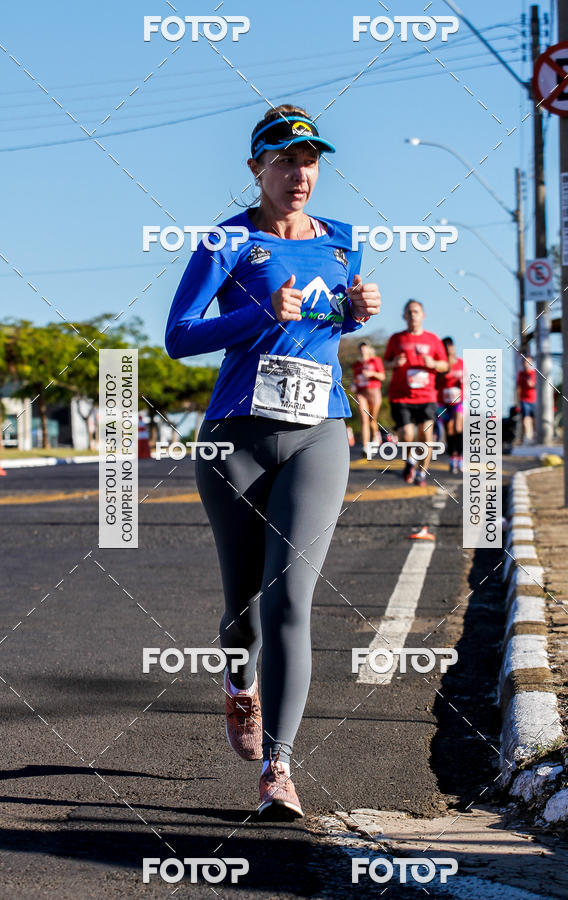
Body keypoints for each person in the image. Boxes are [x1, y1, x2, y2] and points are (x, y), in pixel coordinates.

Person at [165, 104, 380, 820]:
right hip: (237, 439)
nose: (300, 174)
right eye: (285, 161)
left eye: (310, 161)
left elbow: (331, 328)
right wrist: (261, 314)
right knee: (244, 612)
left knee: (291, 599)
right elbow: (178, 336)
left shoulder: (342, 241)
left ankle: (278, 768)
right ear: (256, 168)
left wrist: (354, 313)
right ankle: (238, 683)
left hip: (321, 430)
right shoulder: (227, 242)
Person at [383, 300, 448, 484]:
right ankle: (410, 459)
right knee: (407, 434)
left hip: (426, 396)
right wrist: (394, 363)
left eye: (416, 312)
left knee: (426, 435)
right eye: (409, 312)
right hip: (402, 396)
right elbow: (385, 362)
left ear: (423, 315)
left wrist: (433, 364)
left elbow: (444, 365)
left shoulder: (433, 339)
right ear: (404, 315)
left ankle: (422, 472)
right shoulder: (396, 339)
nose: (413, 315)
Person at [350, 340, 385, 454]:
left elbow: (382, 376)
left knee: (372, 420)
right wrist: (353, 385)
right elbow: (355, 379)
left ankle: (376, 436)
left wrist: (372, 374)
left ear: (369, 349)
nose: (362, 349)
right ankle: (365, 447)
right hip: (361, 393)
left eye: (365, 347)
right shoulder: (357, 364)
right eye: (361, 347)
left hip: (374, 392)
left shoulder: (375, 360)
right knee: (364, 420)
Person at [436, 337, 463, 473]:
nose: (449, 350)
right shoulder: (441, 365)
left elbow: (468, 381)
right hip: (443, 401)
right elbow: (435, 382)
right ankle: (453, 457)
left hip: (459, 400)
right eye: (446, 348)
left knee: (458, 426)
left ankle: (461, 456)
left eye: (450, 347)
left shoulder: (461, 363)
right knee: (450, 429)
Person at [516, 355, 537, 443]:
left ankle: (536, 437)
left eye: (528, 362)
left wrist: (532, 385)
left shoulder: (534, 373)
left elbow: (537, 386)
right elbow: (518, 388)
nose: (526, 364)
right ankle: (528, 438)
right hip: (524, 400)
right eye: (525, 362)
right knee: (526, 419)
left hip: (534, 400)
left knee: (535, 419)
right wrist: (518, 402)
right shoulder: (521, 374)